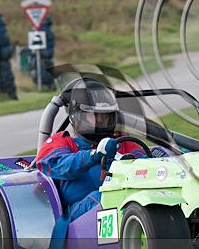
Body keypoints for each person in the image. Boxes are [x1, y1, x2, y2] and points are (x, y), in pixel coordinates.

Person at [36, 78, 147, 223]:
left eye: (105, 116)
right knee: (104, 198)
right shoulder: (61, 141)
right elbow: (56, 165)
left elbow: (146, 163)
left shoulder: (123, 141)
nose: (101, 121)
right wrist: (94, 155)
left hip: (125, 202)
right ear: (77, 115)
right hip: (76, 215)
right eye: (95, 115)